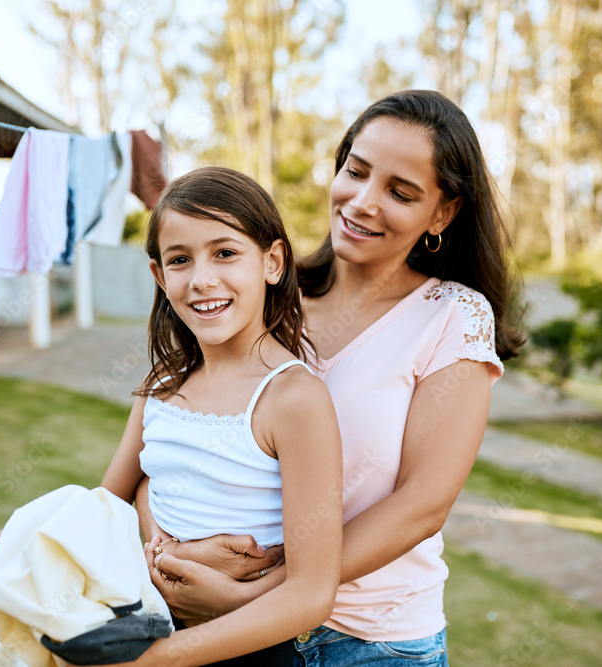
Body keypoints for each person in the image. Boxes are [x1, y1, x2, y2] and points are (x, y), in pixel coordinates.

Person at [134, 90, 525, 667]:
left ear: (442, 213)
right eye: (356, 171)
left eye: (400, 192)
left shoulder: (451, 315)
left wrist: (259, 593)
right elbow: (181, 436)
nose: (362, 202)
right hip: (236, 635)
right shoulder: (263, 296)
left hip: (369, 640)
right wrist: (184, 554)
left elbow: (422, 503)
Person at [66, 165, 342, 666]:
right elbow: (107, 506)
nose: (202, 279)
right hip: (147, 617)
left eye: (225, 253)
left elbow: (311, 593)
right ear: (159, 275)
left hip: (247, 646)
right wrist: (40, 537)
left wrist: (161, 657)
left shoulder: (293, 398)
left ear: (273, 261)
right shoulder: (161, 388)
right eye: (179, 259)